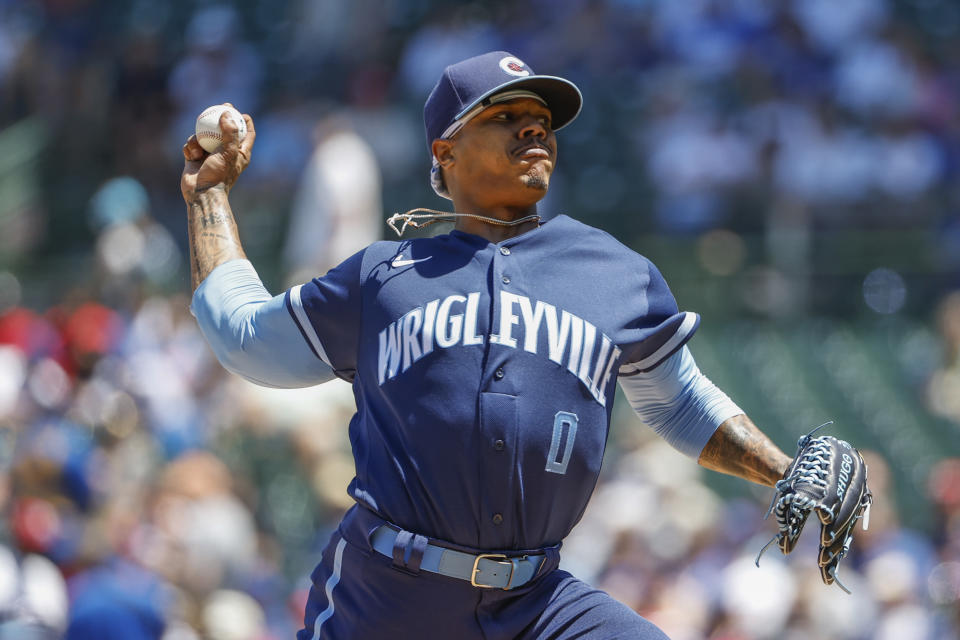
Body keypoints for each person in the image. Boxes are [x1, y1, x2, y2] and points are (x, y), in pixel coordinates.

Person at [179, 52, 804, 640]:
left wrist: (782, 472)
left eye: (542, 121)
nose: (534, 130)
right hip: (388, 597)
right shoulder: (381, 275)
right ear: (444, 152)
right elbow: (246, 338)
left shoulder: (616, 273)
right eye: (506, 117)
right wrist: (208, 196)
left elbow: (682, 405)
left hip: (537, 602)